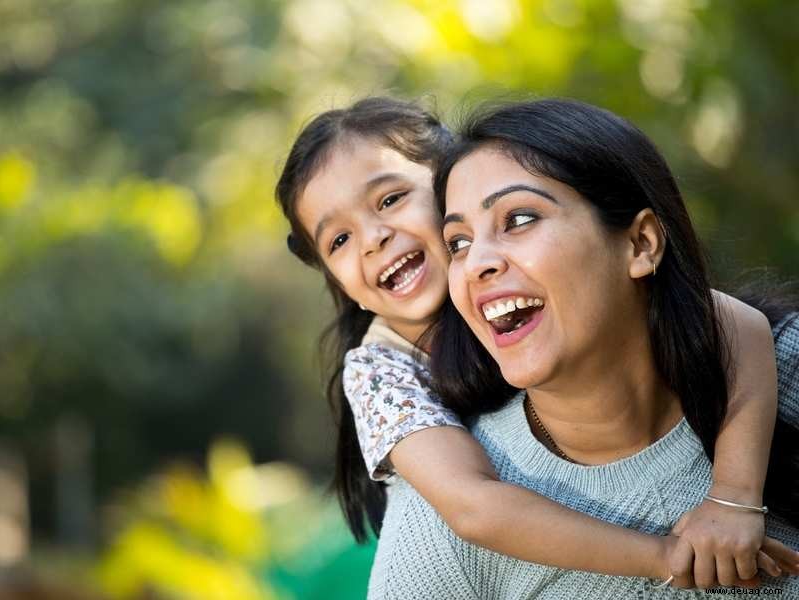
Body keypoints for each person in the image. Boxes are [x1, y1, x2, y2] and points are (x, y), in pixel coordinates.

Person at [274, 97, 798, 590]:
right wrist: (664, 557)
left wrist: (734, 498)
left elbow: (735, 321)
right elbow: (475, 507)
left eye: (390, 199)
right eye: (339, 240)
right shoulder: (381, 370)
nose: (373, 238)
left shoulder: (505, 276)